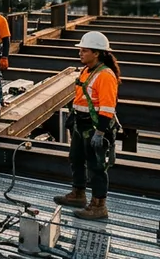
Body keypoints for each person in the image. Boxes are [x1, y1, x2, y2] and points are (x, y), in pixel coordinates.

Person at [53, 31, 120, 220]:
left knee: (96, 166)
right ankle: (78, 194)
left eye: (84, 50)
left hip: (95, 126)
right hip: (81, 124)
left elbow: (107, 107)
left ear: (97, 53)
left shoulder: (105, 75)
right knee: (76, 158)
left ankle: (99, 205)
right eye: (80, 50)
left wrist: (100, 132)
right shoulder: (86, 70)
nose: (80, 53)